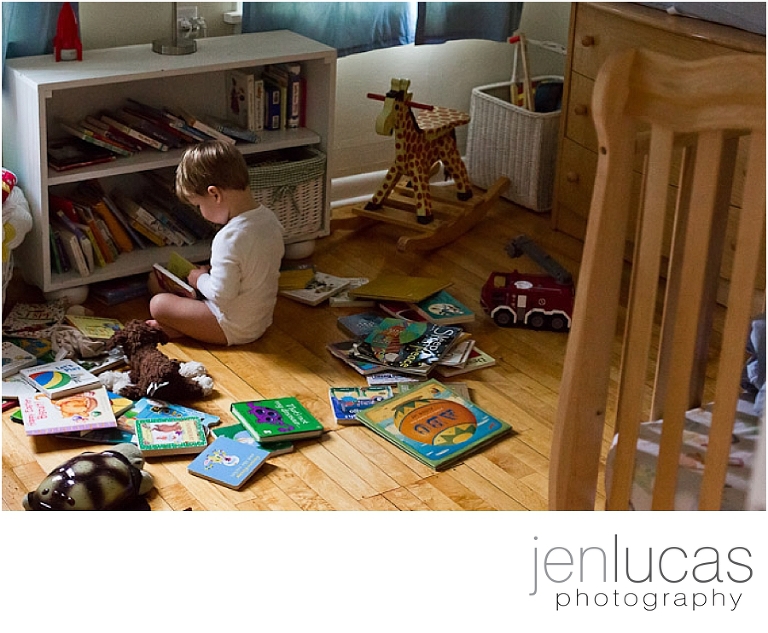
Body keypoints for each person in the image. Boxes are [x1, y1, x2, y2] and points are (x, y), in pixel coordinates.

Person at [147, 141, 285, 345]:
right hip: (260, 321)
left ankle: (184, 329)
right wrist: (214, 271)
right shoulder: (269, 220)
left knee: (158, 303)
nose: (201, 213)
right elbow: (254, 267)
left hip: (231, 326)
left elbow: (221, 296)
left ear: (215, 194)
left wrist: (200, 278)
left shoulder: (228, 238)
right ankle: (186, 327)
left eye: (198, 205)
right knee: (155, 280)